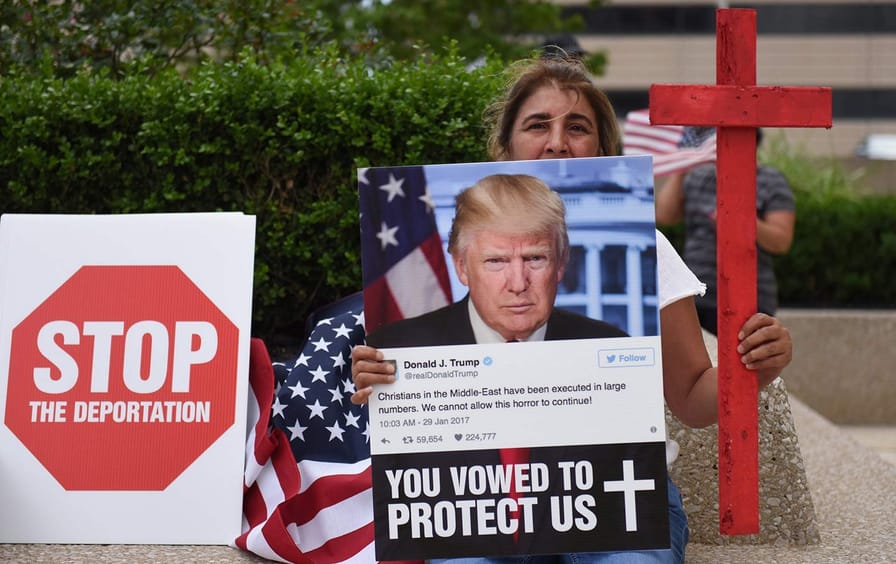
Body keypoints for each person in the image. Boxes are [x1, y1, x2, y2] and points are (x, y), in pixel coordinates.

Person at [353, 53, 793, 563]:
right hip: (476, 501)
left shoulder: (640, 273)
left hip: (618, 497)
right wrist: (377, 383)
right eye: (538, 124)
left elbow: (693, 402)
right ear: (505, 147)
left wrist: (752, 369)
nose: (558, 140)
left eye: (577, 126)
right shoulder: (416, 334)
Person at [366, 173, 628, 348]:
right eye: (496, 261)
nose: (518, 284)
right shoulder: (394, 349)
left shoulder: (609, 344)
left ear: (560, 265)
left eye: (535, 258)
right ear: (462, 268)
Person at [655, 128, 796, 335]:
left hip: (748, 298)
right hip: (695, 294)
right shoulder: (699, 177)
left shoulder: (771, 181)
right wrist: (683, 162)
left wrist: (741, 222)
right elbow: (665, 216)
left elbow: (781, 241)